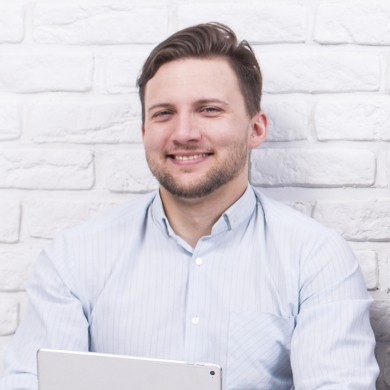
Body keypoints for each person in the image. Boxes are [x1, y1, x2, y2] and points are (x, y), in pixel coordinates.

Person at [0, 22, 379, 389]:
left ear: (256, 129)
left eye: (209, 109)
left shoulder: (316, 259)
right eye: (164, 113)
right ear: (145, 132)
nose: (184, 134)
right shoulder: (74, 259)